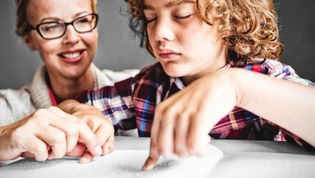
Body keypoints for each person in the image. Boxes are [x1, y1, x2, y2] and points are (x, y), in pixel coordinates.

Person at [63, 0, 315, 171]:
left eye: (182, 15)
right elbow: (70, 108)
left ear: (232, 18)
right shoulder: (149, 86)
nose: (160, 32)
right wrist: (82, 113)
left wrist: (238, 86)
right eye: (151, 18)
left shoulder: (265, 78)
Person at [0, 0, 137, 163]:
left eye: (82, 20)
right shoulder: (5, 109)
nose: (72, 38)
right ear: (28, 38)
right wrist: (4, 136)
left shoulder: (143, 90)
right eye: (51, 26)